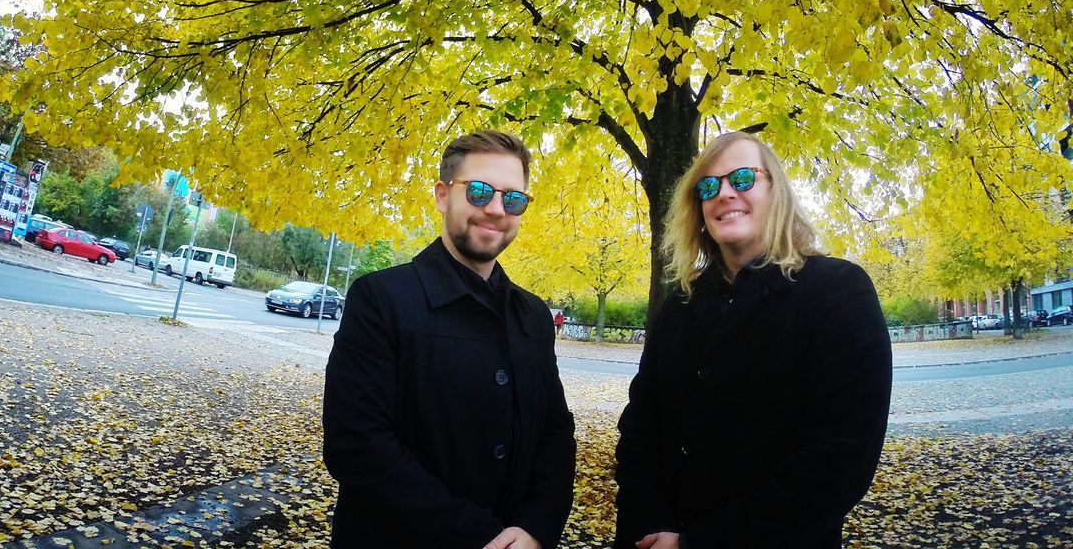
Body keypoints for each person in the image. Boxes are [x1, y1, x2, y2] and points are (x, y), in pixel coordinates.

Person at [615, 132, 892, 549]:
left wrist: (698, 543)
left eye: (742, 179)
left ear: (775, 191)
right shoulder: (681, 305)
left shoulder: (837, 292)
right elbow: (641, 427)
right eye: (709, 186)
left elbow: (840, 458)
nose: (724, 193)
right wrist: (650, 525)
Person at [323, 131, 576, 549]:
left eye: (513, 199)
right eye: (479, 192)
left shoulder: (532, 315)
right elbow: (357, 445)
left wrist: (536, 527)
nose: (496, 209)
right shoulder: (382, 299)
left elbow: (554, 432)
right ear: (443, 195)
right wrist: (481, 536)